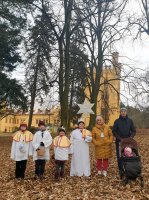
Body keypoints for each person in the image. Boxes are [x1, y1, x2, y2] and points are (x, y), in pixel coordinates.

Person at [112, 107, 136, 178]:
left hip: (128, 142)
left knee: (128, 155)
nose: (123, 112)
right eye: (122, 111)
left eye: (124, 111)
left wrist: (130, 137)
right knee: (120, 156)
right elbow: (114, 131)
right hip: (119, 142)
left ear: (126, 112)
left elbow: (134, 131)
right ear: (120, 112)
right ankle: (121, 170)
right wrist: (120, 138)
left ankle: (128, 170)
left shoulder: (130, 121)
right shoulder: (117, 121)